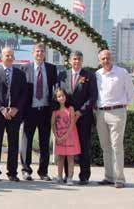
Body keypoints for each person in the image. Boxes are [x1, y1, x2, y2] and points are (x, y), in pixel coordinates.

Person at [95, 49, 134, 188]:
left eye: (108, 58)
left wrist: (123, 107)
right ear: (99, 61)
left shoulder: (122, 73)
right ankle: (109, 176)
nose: (106, 61)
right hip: (101, 113)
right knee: (105, 146)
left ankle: (119, 179)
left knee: (116, 146)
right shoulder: (97, 74)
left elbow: (131, 93)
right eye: (103, 59)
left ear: (111, 58)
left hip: (117, 112)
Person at [0, 47, 26, 182]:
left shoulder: (20, 74)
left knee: (13, 144)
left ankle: (12, 172)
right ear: (1, 58)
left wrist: (16, 108)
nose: (9, 57)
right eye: (7, 55)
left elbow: (23, 94)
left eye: (11, 55)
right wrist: (2, 109)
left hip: (14, 115)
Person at [57, 51, 97, 185]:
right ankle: (68, 175)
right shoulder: (62, 75)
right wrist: (65, 111)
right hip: (67, 118)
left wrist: (80, 112)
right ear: (69, 60)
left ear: (82, 61)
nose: (76, 62)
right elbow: (59, 94)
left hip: (83, 117)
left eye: (79, 59)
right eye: (74, 59)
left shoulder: (89, 75)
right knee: (68, 146)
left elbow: (93, 97)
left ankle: (84, 175)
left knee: (84, 145)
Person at [20, 43, 57, 181]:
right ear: (32, 53)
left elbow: (56, 88)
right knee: (26, 142)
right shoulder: (25, 68)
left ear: (45, 54)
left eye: (42, 51)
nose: (40, 53)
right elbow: (22, 91)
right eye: (37, 51)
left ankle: (43, 172)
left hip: (45, 110)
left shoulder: (51, 69)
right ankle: (26, 170)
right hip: (30, 110)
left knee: (44, 143)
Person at [51, 88, 81, 185]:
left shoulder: (70, 109)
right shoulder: (55, 111)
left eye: (63, 95)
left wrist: (66, 136)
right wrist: (57, 136)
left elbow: (72, 123)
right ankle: (59, 176)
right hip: (59, 137)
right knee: (60, 158)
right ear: (56, 98)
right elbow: (53, 124)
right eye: (59, 96)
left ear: (66, 96)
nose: (61, 98)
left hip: (70, 136)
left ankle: (69, 178)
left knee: (70, 158)